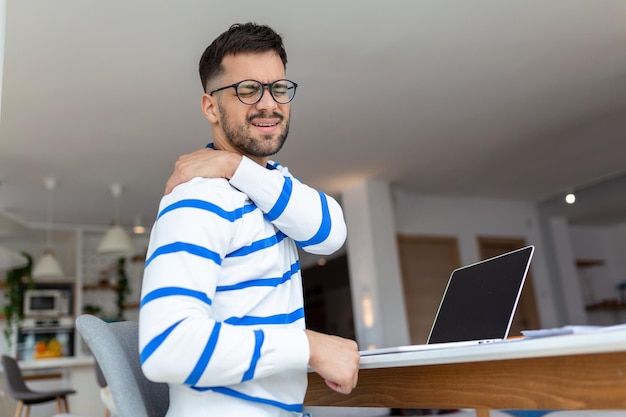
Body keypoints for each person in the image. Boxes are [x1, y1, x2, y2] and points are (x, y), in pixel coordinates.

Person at [138, 22, 360, 417]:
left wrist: (233, 164)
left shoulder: (269, 188)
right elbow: (165, 346)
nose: (268, 103)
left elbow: (330, 234)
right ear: (210, 107)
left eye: (278, 88)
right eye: (247, 89)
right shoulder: (200, 198)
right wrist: (309, 346)